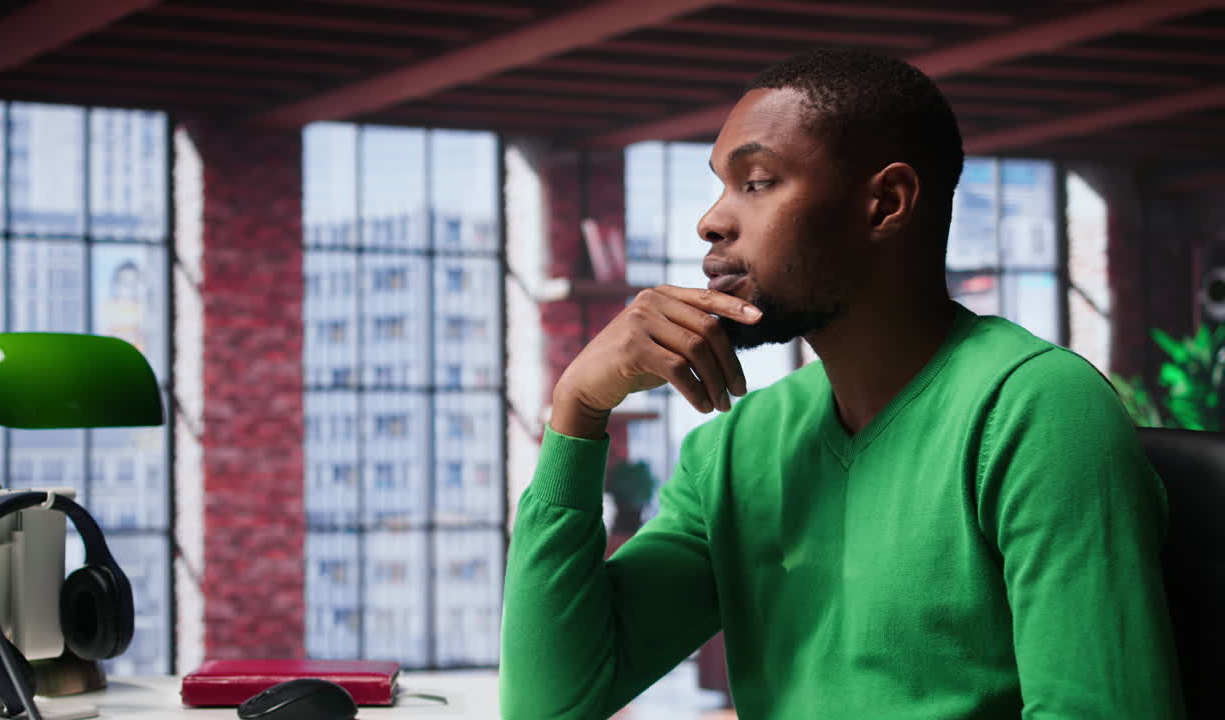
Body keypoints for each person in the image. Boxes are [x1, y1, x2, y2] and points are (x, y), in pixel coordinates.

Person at [499, 48, 1184, 719]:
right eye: (720, 184)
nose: (710, 220)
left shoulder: (1036, 411)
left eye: (757, 181)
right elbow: (551, 704)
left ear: (886, 203)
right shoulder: (738, 447)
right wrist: (578, 408)